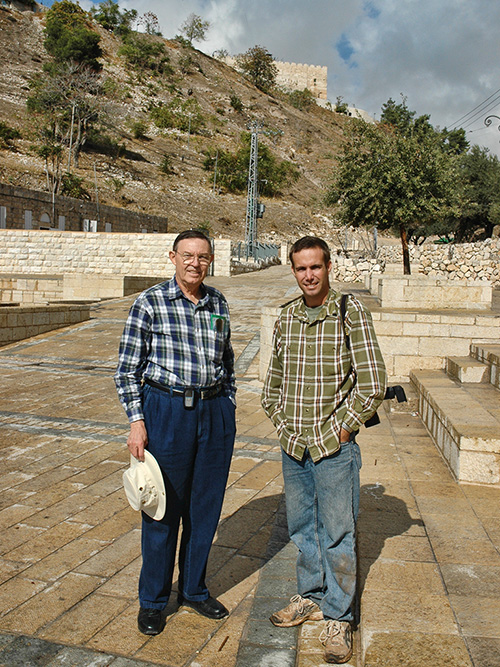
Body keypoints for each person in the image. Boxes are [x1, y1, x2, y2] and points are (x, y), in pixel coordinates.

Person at [261, 236, 386, 664]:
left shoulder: (351, 313)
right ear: (293, 270)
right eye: (301, 269)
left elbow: (371, 384)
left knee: (337, 533)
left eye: (315, 267)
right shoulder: (287, 317)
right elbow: (272, 383)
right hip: (294, 447)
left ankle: (338, 615)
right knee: (302, 529)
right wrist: (282, 425)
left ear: (329, 267)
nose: (309, 276)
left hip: (334, 447)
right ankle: (311, 595)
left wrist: (344, 432)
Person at [114, 229, 236, 636]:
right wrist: (137, 420)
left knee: (205, 509)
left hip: (214, 411)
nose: (195, 264)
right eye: (188, 255)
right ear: (172, 257)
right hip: (166, 411)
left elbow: (227, 359)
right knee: (162, 508)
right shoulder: (149, 303)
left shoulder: (218, 302)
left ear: (210, 260)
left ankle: (193, 590)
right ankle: (152, 599)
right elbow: (127, 370)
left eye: (203, 257)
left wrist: (227, 402)